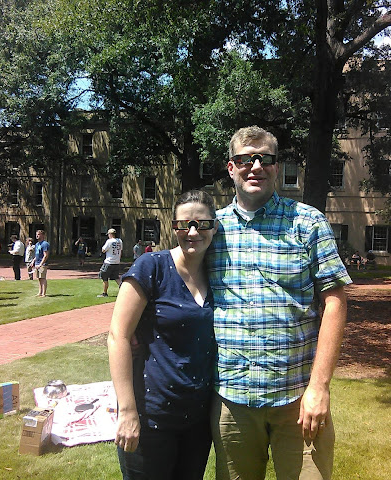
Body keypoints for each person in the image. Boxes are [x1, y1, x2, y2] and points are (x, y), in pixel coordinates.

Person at [207, 126, 352, 480]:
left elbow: (335, 301)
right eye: (246, 159)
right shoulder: (211, 229)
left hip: (298, 399)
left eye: (265, 159)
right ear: (231, 167)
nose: (256, 166)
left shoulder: (307, 222)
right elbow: (179, 288)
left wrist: (319, 387)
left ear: (276, 167)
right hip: (233, 401)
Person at [108, 190, 217, 480]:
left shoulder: (217, 274)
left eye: (202, 224)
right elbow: (118, 336)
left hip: (198, 419)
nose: (192, 232)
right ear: (173, 227)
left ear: (214, 227)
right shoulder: (151, 267)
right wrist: (127, 411)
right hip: (151, 414)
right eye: (184, 224)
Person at [97, 228, 123, 298]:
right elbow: (121, 251)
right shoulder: (120, 241)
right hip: (117, 262)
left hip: (109, 262)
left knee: (104, 277)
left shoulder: (109, 241)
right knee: (116, 277)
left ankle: (105, 293)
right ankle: (124, 290)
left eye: (108, 234)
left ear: (110, 234)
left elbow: (103, 250)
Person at [29, 230, 50, 297]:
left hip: (42, 264)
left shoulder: (45, 244)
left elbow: (45, 255)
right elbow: (37, 255)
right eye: (36, 234)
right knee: (39, 278)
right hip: (37, 263)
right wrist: (33, 261)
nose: (37, 236)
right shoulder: (37, 244)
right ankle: (40, 292)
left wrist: (41, 264)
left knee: (43, 278)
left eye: (38, 234)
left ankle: (44, 293)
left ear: (43, 235)